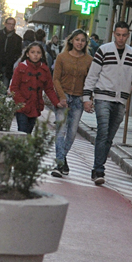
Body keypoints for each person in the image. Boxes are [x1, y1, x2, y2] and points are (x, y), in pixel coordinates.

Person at [83, 22, 132, 186]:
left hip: (121, 100)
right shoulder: (104, 50)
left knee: (109, 137)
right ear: (113, 34)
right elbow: (92, 74)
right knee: (103, 131)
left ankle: (97, 168)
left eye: (124, 35)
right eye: (118, 34)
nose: (121, 38)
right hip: (103, 96)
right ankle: (99, 169)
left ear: (128, 35)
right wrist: (87, 97)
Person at [50, 29, 92, 177]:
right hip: (64, 97)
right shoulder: (62, 57)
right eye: (77, 39)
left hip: (78, 99)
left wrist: (88, 99)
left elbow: (90, 81)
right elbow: (56, 79)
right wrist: (61, 97)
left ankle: (62, 158)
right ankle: (59, 164)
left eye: (82, 40)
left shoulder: (89, 60)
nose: (79, 43)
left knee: (72, 132)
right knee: (61, 131)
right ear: (71, 41)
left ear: (86, 43)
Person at [9, 42, 62, 134]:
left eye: (38, 52)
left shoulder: (44, 69)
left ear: (42, 54)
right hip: (22, 107)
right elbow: (14, 87)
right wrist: (21, 103)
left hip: (35, 106)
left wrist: (56, 102)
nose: (35, 55)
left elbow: (49, 88)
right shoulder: (21, 68)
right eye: (33, 52)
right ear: (27, 54)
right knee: (22, 132)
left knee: (28, 133)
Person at [0, 17, 23, 84]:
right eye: (9, 24)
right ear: (5, 24)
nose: (11, 26)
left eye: (13, 24)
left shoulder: (18, 39)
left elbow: (18, 52)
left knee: (4, 87)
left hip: (7, 68)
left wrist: (12, 59)